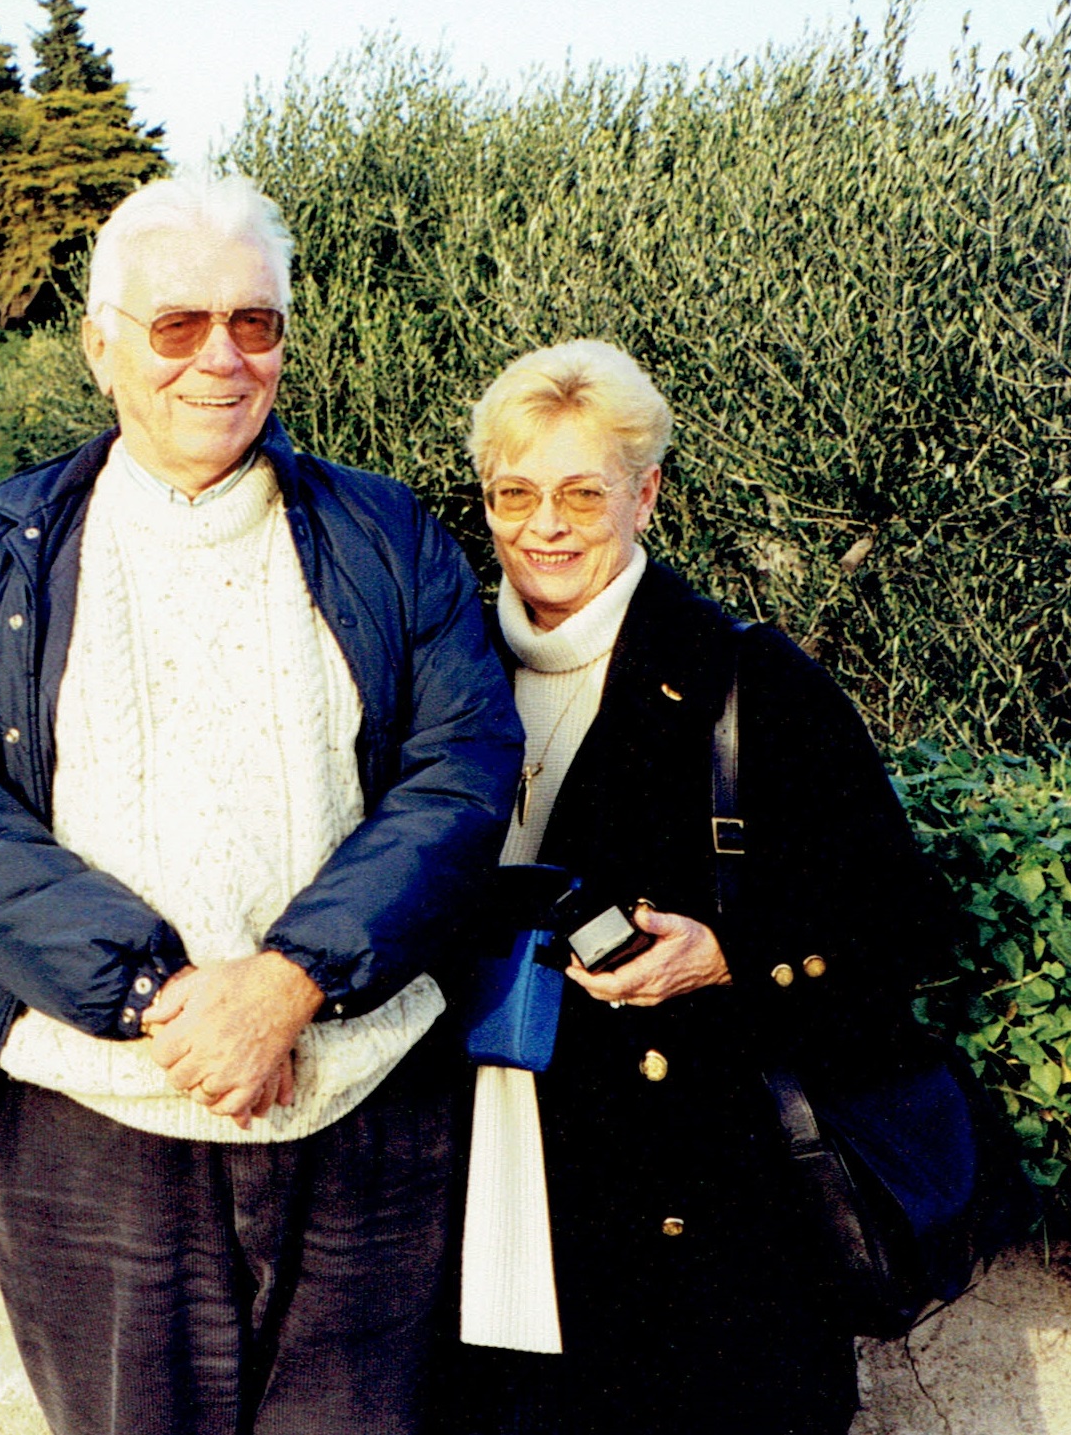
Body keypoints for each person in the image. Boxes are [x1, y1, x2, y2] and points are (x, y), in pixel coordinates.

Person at [0, 174, 522, 1435]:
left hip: (364, 1115)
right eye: (178, 325)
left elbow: (463, 770)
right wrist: (157, 1002)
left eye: (255, 322)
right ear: (101, 344)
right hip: (93, 1131)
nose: (220, 359)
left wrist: (290, 983)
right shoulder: (0, 555)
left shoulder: (387, 532)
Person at [444, 341, 947, 1435]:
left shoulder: (745, 678)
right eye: (514, 493)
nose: (546, 524)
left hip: (700, 1208)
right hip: (479, 1174)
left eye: (583, 491)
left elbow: (899, 919)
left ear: (646, 493)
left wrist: (728, 953)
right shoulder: (439, 669)